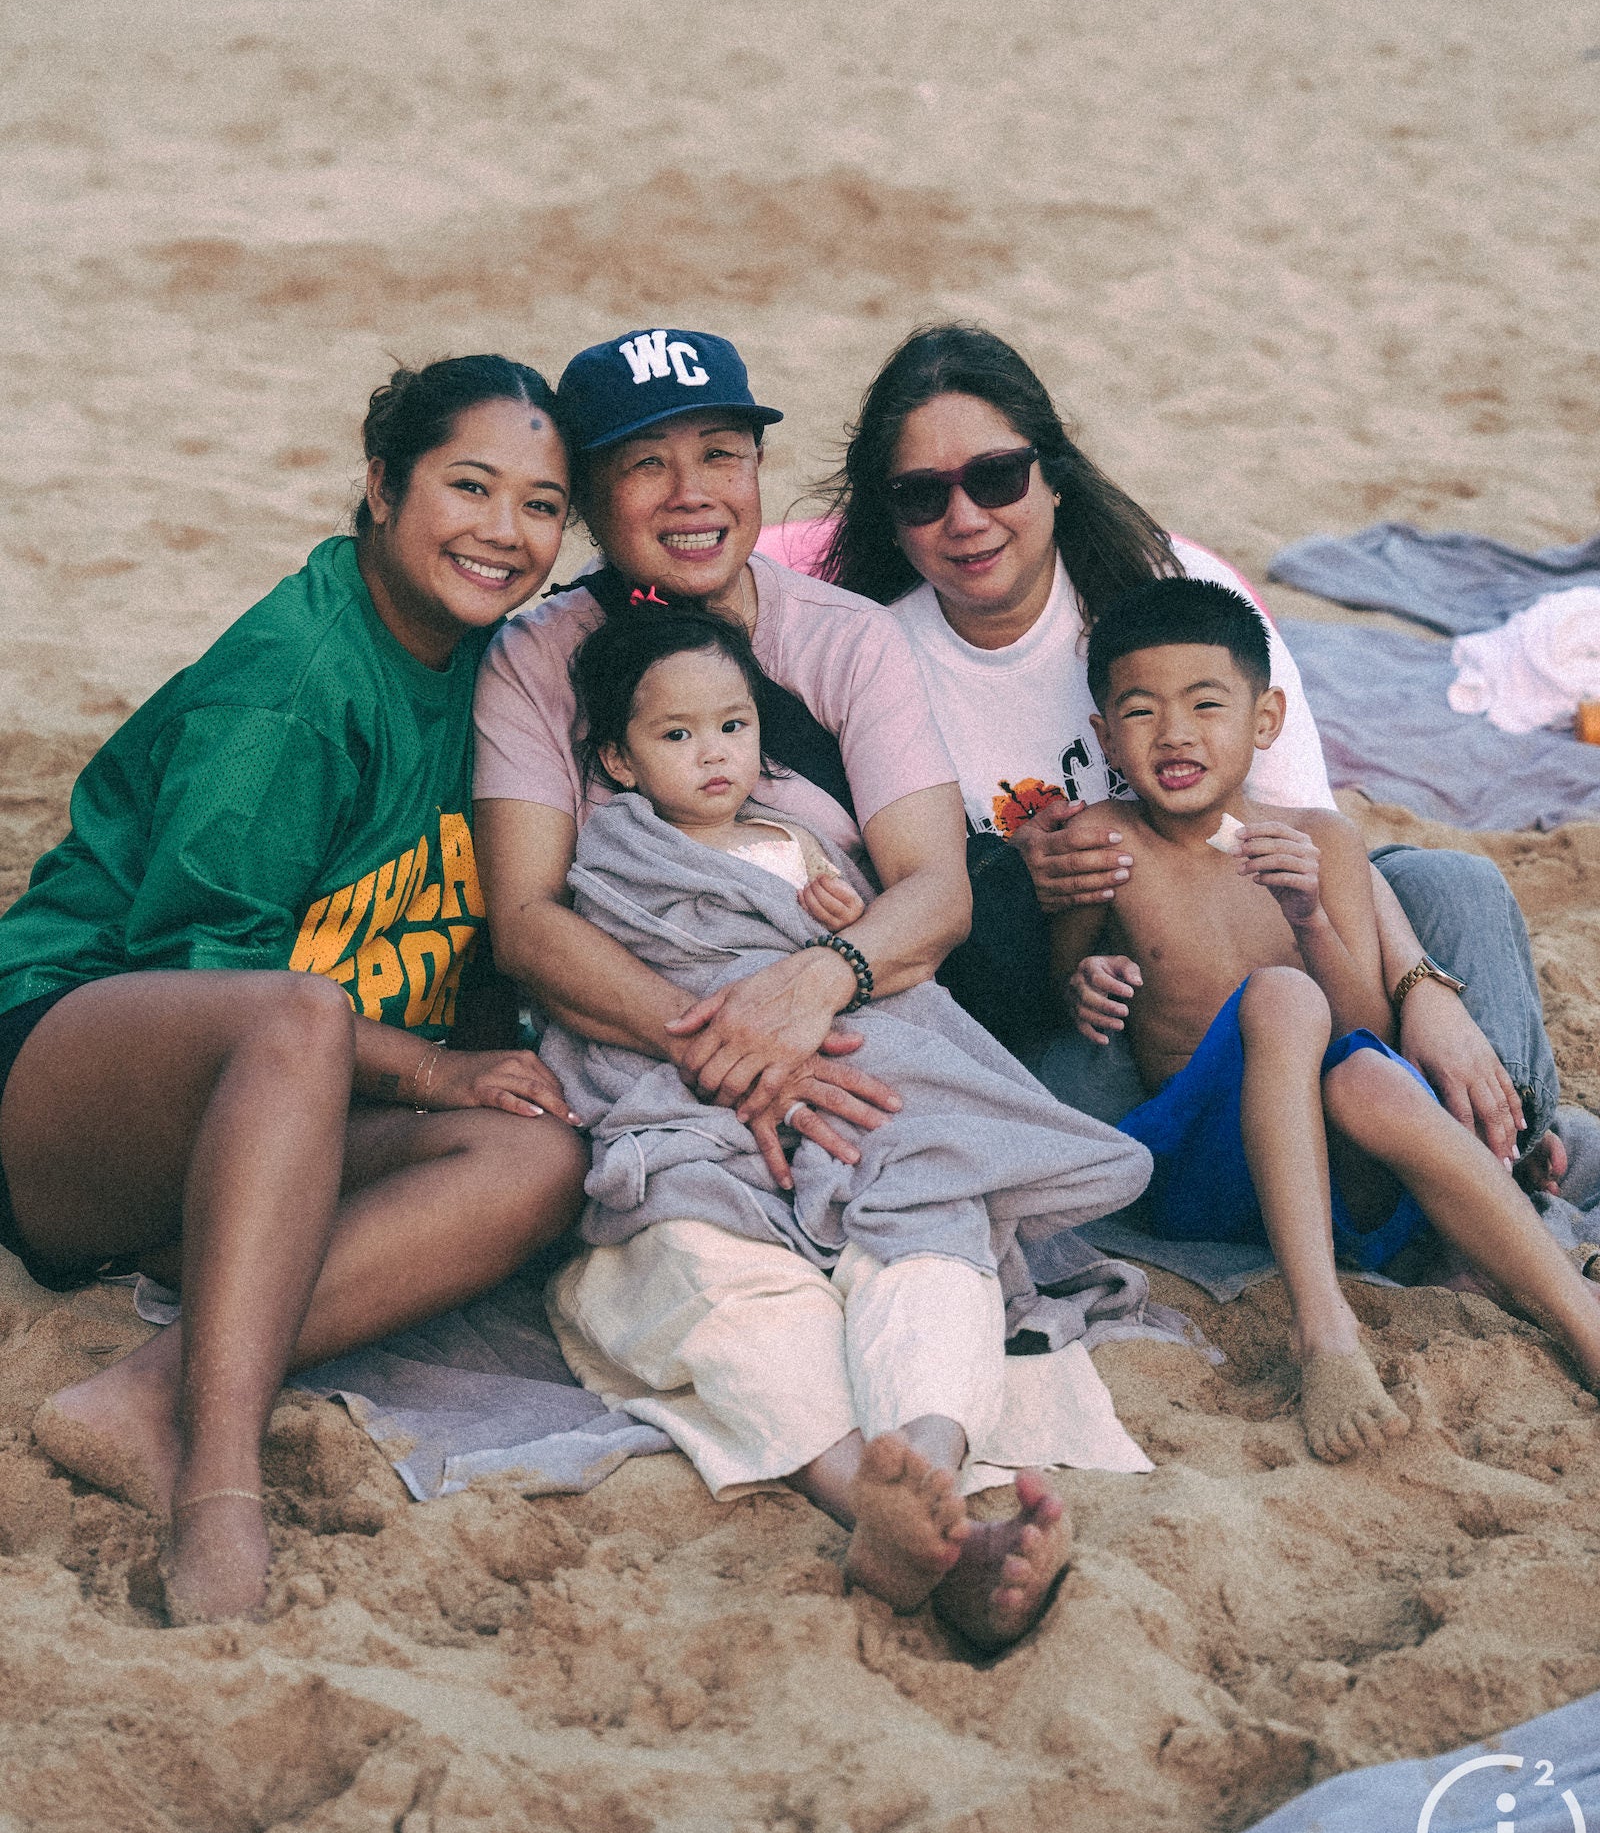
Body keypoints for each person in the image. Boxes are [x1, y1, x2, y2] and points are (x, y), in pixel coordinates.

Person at [0, 356, 589, 1623]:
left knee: (537, 1158)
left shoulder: (499, 671)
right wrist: (430, 1069)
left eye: (541, 505)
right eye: (468, 485)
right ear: (380, 486)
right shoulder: (300, 684)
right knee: (296, 1009)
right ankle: (217, 1481)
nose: (504, 532)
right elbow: (208, 977)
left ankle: (142, 1391)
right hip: (70, 1088)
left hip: (271, 1125)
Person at [784, 324, 1561, 1189]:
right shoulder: (875, 659)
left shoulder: (1177, 596)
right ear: (888, 519)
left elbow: (1312, 830)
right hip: (1112, 1003)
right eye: (922, 495)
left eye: (997, 477)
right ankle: (1456, 1184)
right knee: (1062, 1102)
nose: (966, 519)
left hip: (1281, 947)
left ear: (1052, 473)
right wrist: (1013, 884)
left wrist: (1426, 992)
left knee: (1456, 888)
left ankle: (1511, 1157)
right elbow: (913, 910)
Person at [536, 604, 1153, 1649]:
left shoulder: (802, 842)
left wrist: (833, 928)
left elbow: (889, 967)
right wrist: (743, 1039)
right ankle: (876, 1502)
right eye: (675, 734)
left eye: (730, 726)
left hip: (865, 1112)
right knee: (707, 1271)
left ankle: (923, 1451)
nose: (711, 754)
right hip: (703, 1119)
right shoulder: (612, 859)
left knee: (931, 1246)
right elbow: (629, 983)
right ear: (618, 758)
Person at [1049, 578, 1600, 1460]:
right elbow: (1064, 973)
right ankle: (1323, 1329)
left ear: (1264, 723)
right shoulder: (1106, 842)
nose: (1177, 733)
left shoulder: (1321, 842)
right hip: (1209, 1173)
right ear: (1105, 735)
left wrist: (1308, 917)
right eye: (1142, 711)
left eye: (1206, 705)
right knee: (1281, 996)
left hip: (1346, 1173)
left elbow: (1364, 1024)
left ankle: (1581, 1322)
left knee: (1371, 1072)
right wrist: (1087, 979)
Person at [472, 326, 972, 1190]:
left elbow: (936, 889)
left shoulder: (849, 639)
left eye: (719, 456)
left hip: (848, 1023)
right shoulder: (535, 658)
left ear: (757, 466)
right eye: (644, 466)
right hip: (639, 1045)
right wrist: (727, 1043)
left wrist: (810, 988)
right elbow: (526, 919)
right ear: (588, 496)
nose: (691, 495)